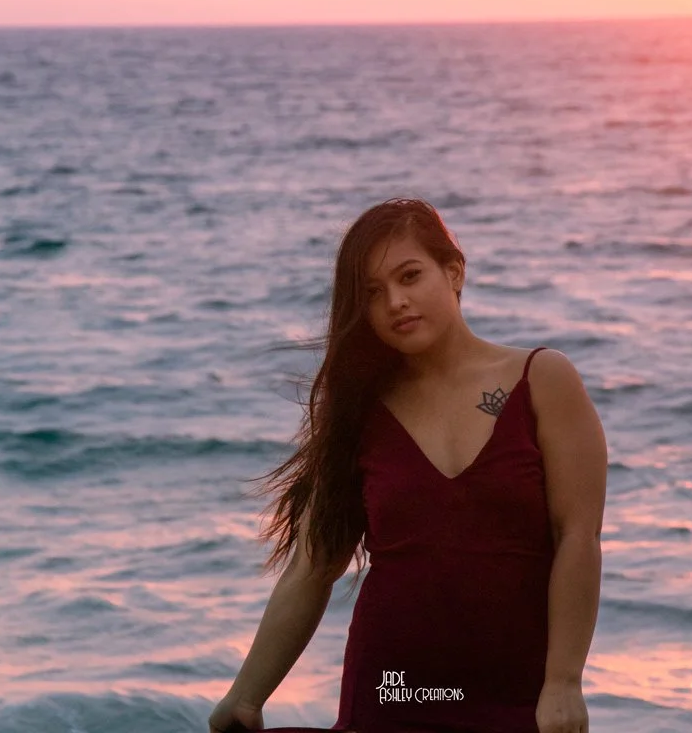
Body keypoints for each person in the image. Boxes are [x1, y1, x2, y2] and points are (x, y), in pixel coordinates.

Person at [208, 198, 607, 733]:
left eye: (410, 276)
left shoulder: (542, 380)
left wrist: (564, 681)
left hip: (517, 688)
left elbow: (577, 537)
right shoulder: (361, 409)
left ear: (454, 271)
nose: (395, 302)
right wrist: (246, 695)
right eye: (373, 293)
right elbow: (314, 565)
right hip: (391, 689)